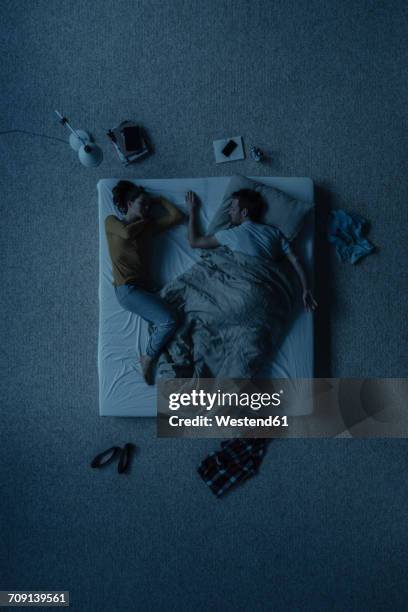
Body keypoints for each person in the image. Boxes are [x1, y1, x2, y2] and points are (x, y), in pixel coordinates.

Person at [186, 188, 317, 312]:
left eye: (232, 208)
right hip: (266, 296)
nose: (229, 212)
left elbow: (194, 242)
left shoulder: (230, 234)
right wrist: (306, 289)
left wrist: (192, 211)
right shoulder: (275, 233)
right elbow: (296, 261)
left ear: (244, 212)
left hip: (243, 293)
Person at [105, 181, 184, 384]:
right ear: (129, 204)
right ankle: (147, 357)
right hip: (127, 290)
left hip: (147, 288)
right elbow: (127, 233)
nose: (147, 209)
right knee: (169, 321)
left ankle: (172, 362)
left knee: (179, 320)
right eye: (143, 204)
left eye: (149, 206)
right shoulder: (112, 222)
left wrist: (160, 199)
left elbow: (177, 217)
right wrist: (146, 220)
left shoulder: (148, 228)